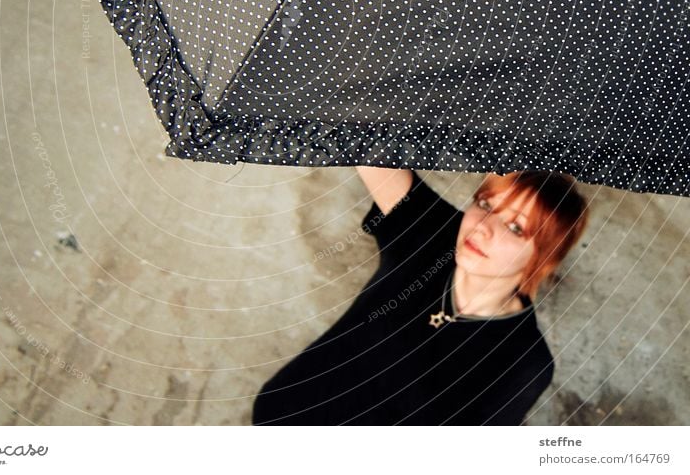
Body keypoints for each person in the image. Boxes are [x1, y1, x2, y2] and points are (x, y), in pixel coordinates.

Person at [252, 167, 590, 425]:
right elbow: (369, 149)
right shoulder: (435, 234)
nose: (482, 226)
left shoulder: (524, 362)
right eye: (485, 204)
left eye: (515, 227)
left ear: (542, 257)